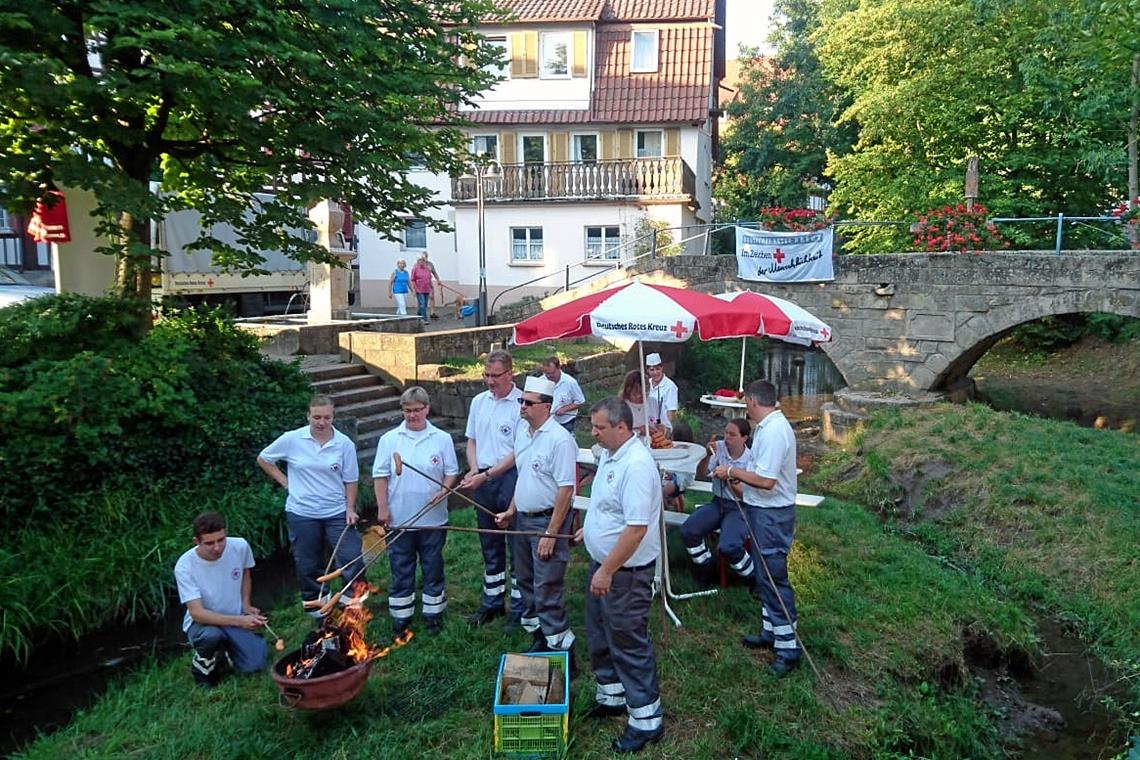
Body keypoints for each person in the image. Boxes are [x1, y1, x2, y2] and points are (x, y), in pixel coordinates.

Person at [576, 398, 664, 753]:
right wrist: (590, 529)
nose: (593, 432)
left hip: (625, 573)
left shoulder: (638, 465)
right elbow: (609, 507)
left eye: (599, 427)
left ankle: (647, 721)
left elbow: (636, 529)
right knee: (599, 633)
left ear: (622, 427)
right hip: (605, 566)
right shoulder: (611, 455)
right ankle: (611, 695)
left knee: (628, 641)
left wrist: (608, 569)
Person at [713, 380, 800, 676]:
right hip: (763, 510)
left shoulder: (775, 431)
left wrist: (732, 471)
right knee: (764, 576)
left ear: (751, 401)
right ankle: (770, 631)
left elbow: (766, 481)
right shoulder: (767, 427)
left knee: (775, 579)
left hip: (772, 514)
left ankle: (788, 650)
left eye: (746, 402)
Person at [494, 376, 579, 669]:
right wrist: (510, 510)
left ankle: (564, 651)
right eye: (521, 401)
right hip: (522, 520)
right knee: (526, 582)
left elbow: (566, 490)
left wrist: (551, 533)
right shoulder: (523, 433)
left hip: (546, 522)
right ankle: (540, 637)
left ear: (546, 406)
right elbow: (525, 478)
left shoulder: (560, 440)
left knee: (547, 587)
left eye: (528, 403)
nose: (522, 407)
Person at [257, 395, 365, 616]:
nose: (321, 422)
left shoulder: (344, 444)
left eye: (326, 417)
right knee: (308, 565)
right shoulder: (292, 439)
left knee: (351, 557)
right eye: (316, 417)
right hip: (302, 512)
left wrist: (350, 508)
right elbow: (264, 458)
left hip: (336, 511)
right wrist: (286, 482)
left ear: (333, 417)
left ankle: (352, 608)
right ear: (308, 416)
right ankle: (319, 614)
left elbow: (351, 479)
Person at [372, 387, 459, 636]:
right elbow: (380, 476)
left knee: (432, 565)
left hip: (433, 518)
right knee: (401, 566)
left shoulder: (441, 438)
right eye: (407, 411)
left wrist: (444, 490)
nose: (412, 416)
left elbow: (451, 472)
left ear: (427, 409)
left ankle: (433, 615)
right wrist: (382, 509)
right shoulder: (389, 439)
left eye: (417, 410)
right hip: (399, 518)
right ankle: (401, 618)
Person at [458, 349, 526, 627]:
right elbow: (471, 440)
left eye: (495, 376)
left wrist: (487, 475)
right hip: (482, 477)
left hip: (510, 478)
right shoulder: (479, 401)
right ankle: (493, 601)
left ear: (510, 373)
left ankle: (520, 606)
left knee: (516, 544)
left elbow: (518, 451)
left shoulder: (522, 403)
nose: (489, 381)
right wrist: (474, 469)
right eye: (486, 375)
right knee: (489, 543)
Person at [173, 512, 268, 689]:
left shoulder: (240, 546)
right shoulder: (185, 566)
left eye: (221, 540)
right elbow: (198, 614)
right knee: (211, 636)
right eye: (209, 543)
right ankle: (202, 667)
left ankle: (226, 652)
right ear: (197, 542)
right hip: (204, 625)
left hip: (233, 618)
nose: (217, 548)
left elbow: (246, 574)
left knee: (255, 665)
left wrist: (246, 604)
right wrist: (241, 621)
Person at [681, 417, 755, 586]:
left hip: (740, 507)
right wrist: (706, 455)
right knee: (688, 530)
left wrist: (729, 476)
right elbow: (700, 474)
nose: (726, 437)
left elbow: (746, 495)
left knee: (729, 546)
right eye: (726, 433)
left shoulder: (751, 458)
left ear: (744, 438)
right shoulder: (719, 448)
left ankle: (752, 576)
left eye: (732, 435)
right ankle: (707, 568)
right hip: (718, 502)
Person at [542, 356, 586, 436]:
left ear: (559, 368)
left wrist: (564, 409)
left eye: (552, 373)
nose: (548, 376)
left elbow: (580, 401)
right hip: (546, 421)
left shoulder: (570, 382)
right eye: (546, 373)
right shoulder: (541, 381)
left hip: (565, 422)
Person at [660, 420, 694, 513]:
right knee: (676, 495)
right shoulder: (692, 450)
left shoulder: (678, 450)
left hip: (679, 480)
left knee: (660, 494)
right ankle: (679, 511)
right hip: (685, 479)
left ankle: (664, 516)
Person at [644, 353, 678, 433]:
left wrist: (665, 430)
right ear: (647, 370)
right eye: (652, 370)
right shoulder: (646, 384)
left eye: (657, 369)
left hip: (662, 429)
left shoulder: (670, 386)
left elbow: (671, 412)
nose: (655, 372)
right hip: (648, 427)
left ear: (662, 368)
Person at [419, 251, 443, 319]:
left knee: (432, 297)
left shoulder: (430, 264)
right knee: (422, 300)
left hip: (429, 283)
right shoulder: (418, 264)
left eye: (426, 257)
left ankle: (432, 313)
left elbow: (434, 273)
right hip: (420, 284)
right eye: (423, 257)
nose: (425, 258)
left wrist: (438, 280)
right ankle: (421, 312)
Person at [410, 255, 434, 325]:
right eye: (420, 260)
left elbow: (429, 280)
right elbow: (412, 280)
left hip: (426, 289)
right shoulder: (415, 269)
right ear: (418, 261)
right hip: (419, 289)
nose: (422, 262)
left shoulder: (427, 269)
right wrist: (414, 289)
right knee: (422, 304)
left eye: (423, 260)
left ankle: (419, 315)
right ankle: (424, 319)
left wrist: (431, 290)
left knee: (425, 305)